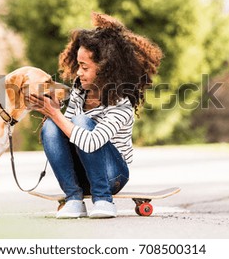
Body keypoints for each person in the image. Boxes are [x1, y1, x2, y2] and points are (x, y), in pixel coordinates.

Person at [26, 12, 162, 218]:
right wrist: (52, 112)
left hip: (112, 176)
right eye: (78, 65)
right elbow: (66, 131)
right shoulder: (80, 92)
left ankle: (104, 200)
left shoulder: (121, 105)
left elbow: (91, 142)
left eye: (84, 67)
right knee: (51, 127)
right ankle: (73, 199)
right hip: (82, 175)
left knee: (79, 121)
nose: (78, 73)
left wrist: (56, 114)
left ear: (106, 69)